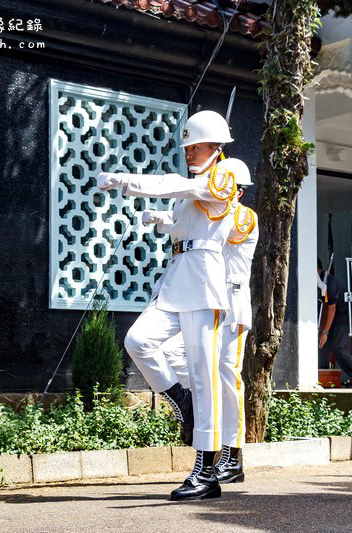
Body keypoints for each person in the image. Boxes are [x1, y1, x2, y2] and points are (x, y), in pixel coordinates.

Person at [96, 110, 237, 501]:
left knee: (205, 374)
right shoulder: (194, 187)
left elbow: (175, 186)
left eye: (195, 146)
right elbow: (185, 224)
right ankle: (179, 396)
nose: (189, 152)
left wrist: (128, 181)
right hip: (175, 284)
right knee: (137, 341)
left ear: (215, 147)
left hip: (203, 288)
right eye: (187, 147)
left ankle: (206, 470)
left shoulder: (222, 177)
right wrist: (161, 220)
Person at [144, 158, 258, 485]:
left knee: (227, 374)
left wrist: (204, 196)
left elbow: (228, 227)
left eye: (232, 186)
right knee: (181, 359)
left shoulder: (244, 216)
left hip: (232, 305)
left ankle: (233, 456)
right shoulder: (210, 210)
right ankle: (196, 411)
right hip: (205, 301)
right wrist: (165, 220)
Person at [317, 259, 352, 387]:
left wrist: (325, 331)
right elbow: (325, 307)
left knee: (338, 347)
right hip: (334, 318)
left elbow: (331, 308)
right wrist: (321, 329)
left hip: (343, 316)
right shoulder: (321, 282)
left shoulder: (330, 281)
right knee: (331, 345)